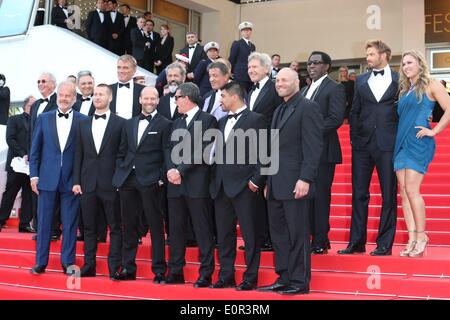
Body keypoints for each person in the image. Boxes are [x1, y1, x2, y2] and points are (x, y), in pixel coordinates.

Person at [258, 68, 323, 295]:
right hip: (276, 184)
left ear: (297, 82)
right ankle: (284, 277)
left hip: (296, 182)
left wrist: (305, 178)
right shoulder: (278, 110)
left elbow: (314, 147)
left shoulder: (309, 108)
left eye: (285, 80)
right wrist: (267, 181)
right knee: (279, 235)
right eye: (277, 80)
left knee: (297, 234)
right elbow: (271, 149)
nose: (280, 83)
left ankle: (299, 281)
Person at [339, 40, 399, 256]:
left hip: (388, 145)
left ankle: (384, 244)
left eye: (372, 54)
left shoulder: (399, 80)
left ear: (384, 55)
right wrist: (355, 137)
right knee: (359, 194)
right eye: (367, 54)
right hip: (362, 145)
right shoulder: (361, 80)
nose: (368, 58)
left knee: (389, 196)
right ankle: (356, 242)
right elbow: (354, 110)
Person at [210, 82, 266, 291]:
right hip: (222, 187)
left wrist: (256, 180)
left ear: (234, 97)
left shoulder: (256, 119)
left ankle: (250, 277)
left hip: (245, 187)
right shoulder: (222, 121)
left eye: (223, 96)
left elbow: (266, 151)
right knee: (224, 234)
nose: (220, 101)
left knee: (250, 235)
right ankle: (226, 275)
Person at [394, 50, 450, 258]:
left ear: (420, 63)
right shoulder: (407, 89)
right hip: (401, 143)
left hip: (418, 142)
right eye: (403, 64)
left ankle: (421, 235)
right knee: (404, 192)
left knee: (412, 189)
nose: (406, 66)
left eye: (410, 62)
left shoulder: (431, 85)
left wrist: (434, 130)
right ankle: (411, 238)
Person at [112, 86, 171, 282]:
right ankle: (129, 268)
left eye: (153, 98)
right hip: (128, 179)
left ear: (158, 100)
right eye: (146, 98)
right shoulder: (129, 124)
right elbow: (121, 151)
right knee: (128, 225)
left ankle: (159, 270)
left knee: (155, 226)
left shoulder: (165, 124)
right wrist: (121, 168)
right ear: (140, 100)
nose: (149, 101)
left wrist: (160, 177)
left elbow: (167, 154)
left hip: (150, 181)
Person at [29, 81, 87, 275]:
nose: (64, 98)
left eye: (68, 95)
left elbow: (85, 153)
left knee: (70, 223)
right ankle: (40, 262)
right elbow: (35, 150)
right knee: (44, 222)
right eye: (61, 95)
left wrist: (81, 179)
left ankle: (67, 262)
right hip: (46, 178)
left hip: (72, 180)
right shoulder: (44, 119)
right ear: (57, 96)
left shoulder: (82, 120)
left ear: (74, 98)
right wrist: (33, 176)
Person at [165, 83, 218, 287]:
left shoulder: (208, 120)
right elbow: (168, 148)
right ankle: (176, 270)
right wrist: (171, 170)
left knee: (202, 229)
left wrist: (180, 170)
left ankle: (205, 273)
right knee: (176, 229)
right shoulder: (176, 122)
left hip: (197, 183)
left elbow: (205, 151)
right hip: (175, 184)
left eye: (176, 97)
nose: (175, 101)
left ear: (187, 98)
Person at [72, 84, 124, 277]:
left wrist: (119, 180)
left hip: (111, 184)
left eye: (101, 94)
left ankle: (114, 266)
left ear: (110, 98)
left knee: (115, 226)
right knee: (88, 227)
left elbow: (123, 155)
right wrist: (76, 180)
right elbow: (79, 154)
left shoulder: (121, 123)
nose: (97, 97)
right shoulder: (83, 124)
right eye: (95, 94)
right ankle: (89, 265)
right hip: (87, 183)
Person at [301, 51, 346, 254]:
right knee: (306, 196)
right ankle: (312, 236)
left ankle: (320, 239)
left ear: (327, 66)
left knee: (320, 196)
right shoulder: (303, 91)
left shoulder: (334, 88)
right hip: (304, 152)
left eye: (316, 63)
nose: (311, 66)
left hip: (324, 151)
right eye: (309, 63)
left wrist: (309, 132)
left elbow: (335, 119)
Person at [244, 52, 283, 253]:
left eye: (255, 67)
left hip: (269, 147)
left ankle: (268, 238)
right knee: (254, 196)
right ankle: (258, 238)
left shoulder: (275, 88)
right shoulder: (251, 91)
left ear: (267, 69)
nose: (251, 70)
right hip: (252, 148)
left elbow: (279, 118)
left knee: (267, 193)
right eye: (249, 68)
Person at [0, 96, 36, 232]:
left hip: (31, 165)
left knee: (29, 194)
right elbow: (10, 139)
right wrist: (23, 154)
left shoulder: (38, 121)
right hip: (16, 163)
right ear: (26, 105)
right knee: (10, 192)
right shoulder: (14, 119)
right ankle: (1, 219)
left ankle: (25, 224)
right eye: (33, 104)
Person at [110, 55, 145, 119]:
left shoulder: (143, 90)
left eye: (125, 68)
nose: (121, 71)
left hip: (134, 127)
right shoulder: (108, 89)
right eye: (119, 67)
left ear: (134, 70)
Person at [229, 21, 256, 92]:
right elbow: (232, 58)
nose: (246, 32)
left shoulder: (252, 46)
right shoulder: (237, 43)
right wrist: (231, 71)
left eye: (248, 30)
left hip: (250, 75)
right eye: (244, 30)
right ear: (241, 33)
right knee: (241, 94)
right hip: (240, 75)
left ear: (251, 31)